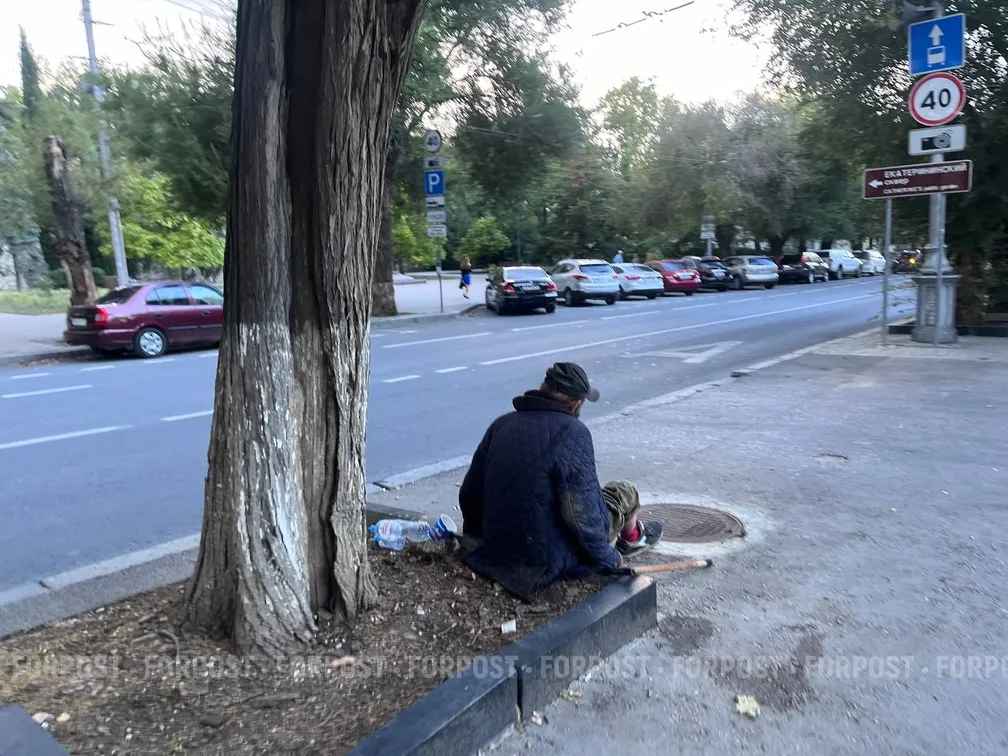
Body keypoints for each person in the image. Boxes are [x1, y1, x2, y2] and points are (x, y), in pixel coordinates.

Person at [458, 362, 662, 598]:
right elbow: (581, 516)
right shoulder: (573, 432)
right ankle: (633, 538)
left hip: (498, 547)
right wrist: (609, 557)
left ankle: (633, 534)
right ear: (576, 402)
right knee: (623, 491)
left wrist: (480, 539)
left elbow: (470, 492)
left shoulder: (502, 424)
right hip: (543, 559)